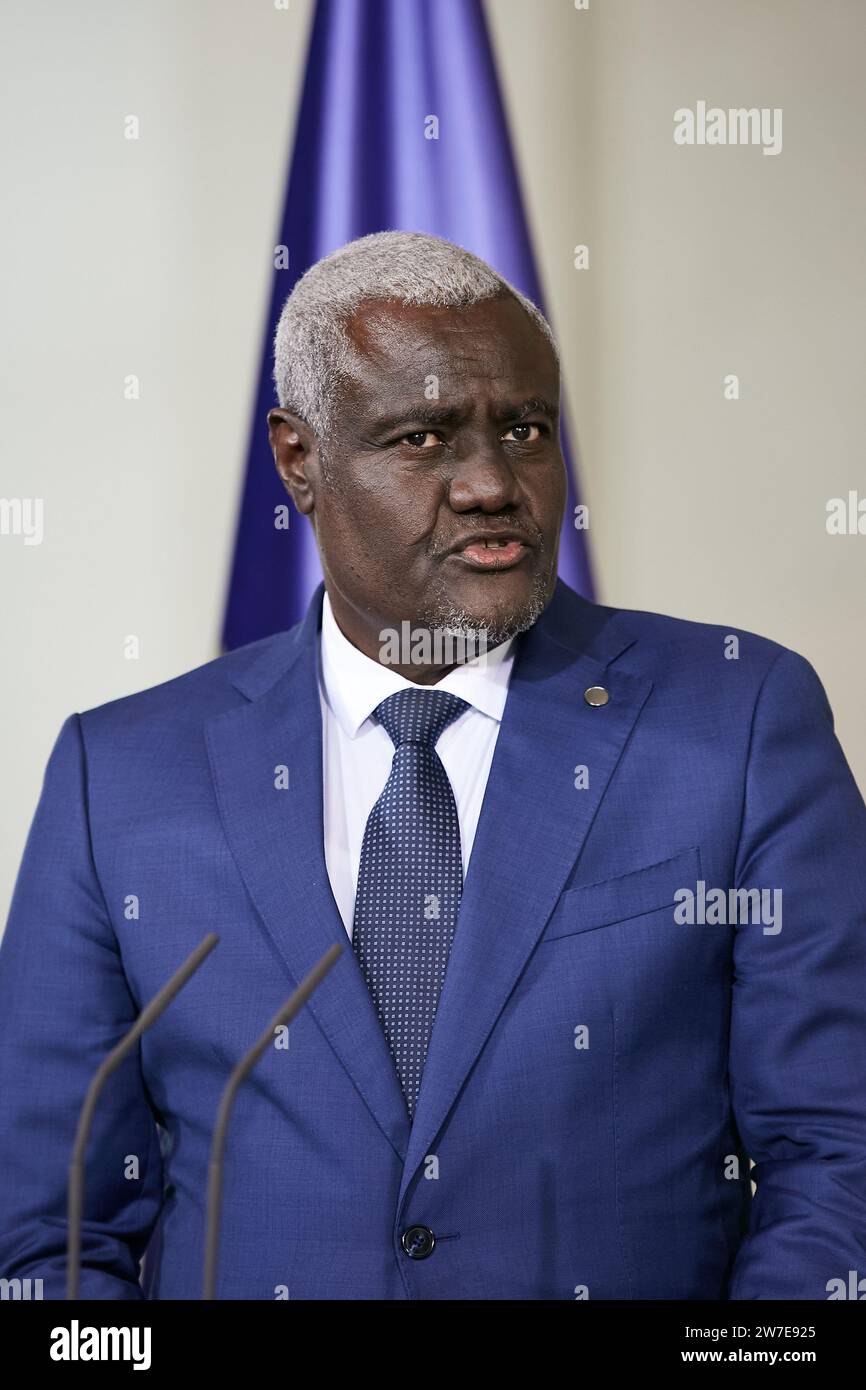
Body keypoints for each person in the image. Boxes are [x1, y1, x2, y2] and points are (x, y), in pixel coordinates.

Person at [1, 231, 865, 1300]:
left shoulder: (735, 722)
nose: (491, 484)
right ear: (298, 459)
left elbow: (837, 1161)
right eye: (422, 438)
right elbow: (44, 1237)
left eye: (524, 429)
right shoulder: (119, 777)